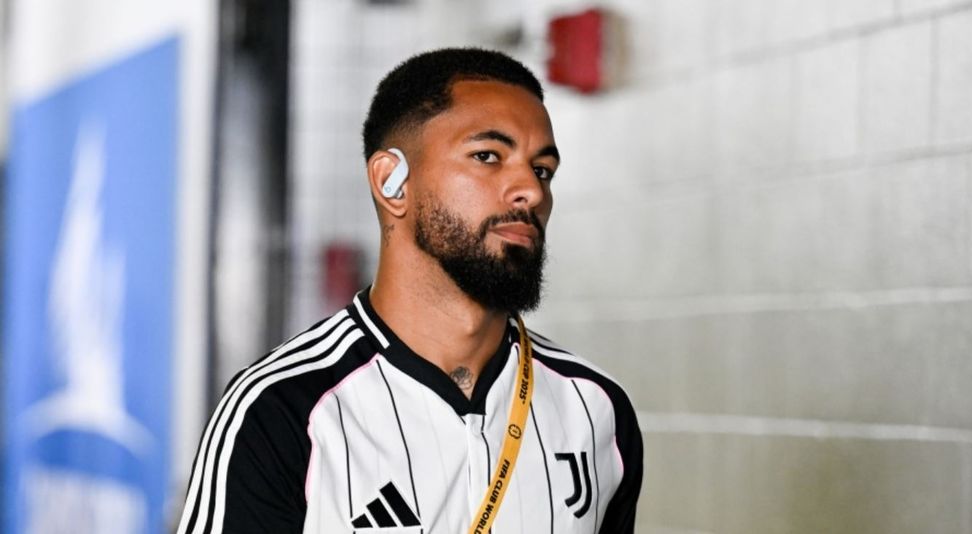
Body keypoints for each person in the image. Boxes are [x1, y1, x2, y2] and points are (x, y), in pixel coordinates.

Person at [177, 47, 642, 534]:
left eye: (542, 169)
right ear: (392, 182)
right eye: (488, 156)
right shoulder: (282, 409)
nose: (531, 189)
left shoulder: (596, 410)